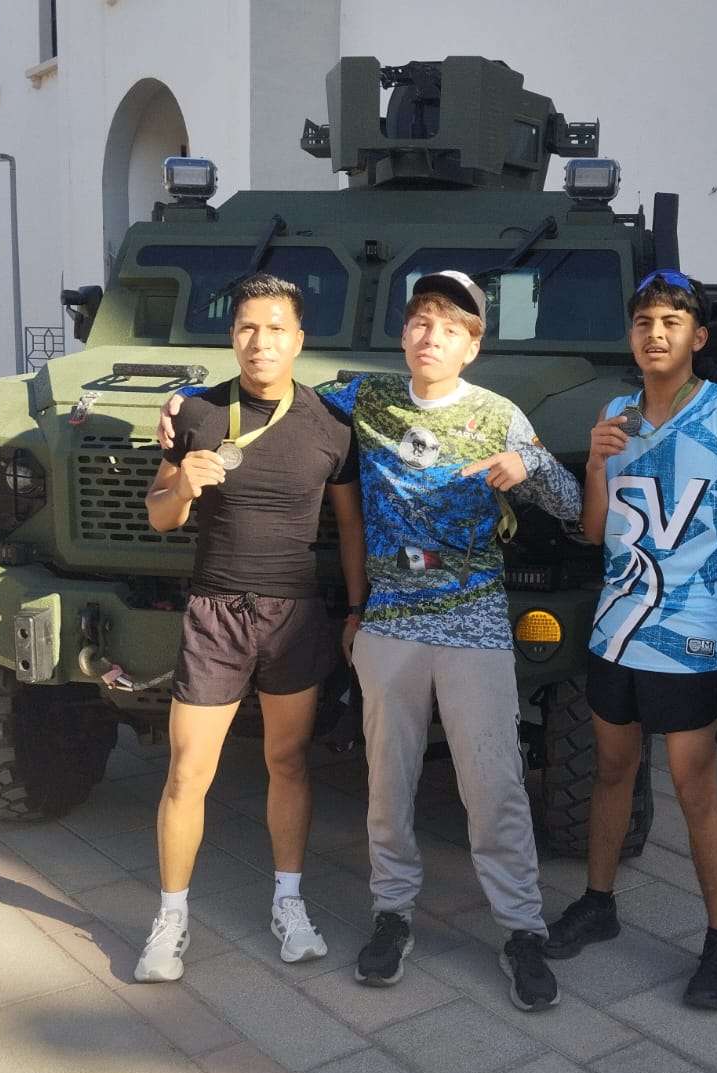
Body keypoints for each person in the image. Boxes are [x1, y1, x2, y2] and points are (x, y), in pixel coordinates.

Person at [316, 271, 581, 1012]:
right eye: (421, 322)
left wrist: (529, 466)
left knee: (493, 784)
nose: (431, 336)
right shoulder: (366, 397)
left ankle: (521, 928)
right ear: (404, 334)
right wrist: (189, 405)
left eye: (451, 327)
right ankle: (392, 913)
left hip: (474, 624)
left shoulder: (498, 414)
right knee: (387, 782)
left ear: (472, 346)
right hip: (392, 624)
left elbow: (571, 505)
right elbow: (280, 402)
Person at [543, 270, 717, 1012]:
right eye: (644, 323)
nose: (655, 334)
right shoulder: (616, 413)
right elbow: (595, 530)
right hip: (616, 632)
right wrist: (597, 464)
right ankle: (599, 902)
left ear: (698, 337)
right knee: (612, 773)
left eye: (671, 322)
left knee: (696, 789)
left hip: (690, 639)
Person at [138, 273, 366, 983]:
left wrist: (357, 609)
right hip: (214, 612)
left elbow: (350, 528)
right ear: (232, 336)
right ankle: (170, 917)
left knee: (288, 762)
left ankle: (288, 903)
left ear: (299, 339)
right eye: (246, 328)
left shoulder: (330, 426)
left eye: (274, 329)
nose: (259, 341)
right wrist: (183, 483)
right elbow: (160, 516)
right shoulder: (197, 414)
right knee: (187, 771)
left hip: (293, 614)